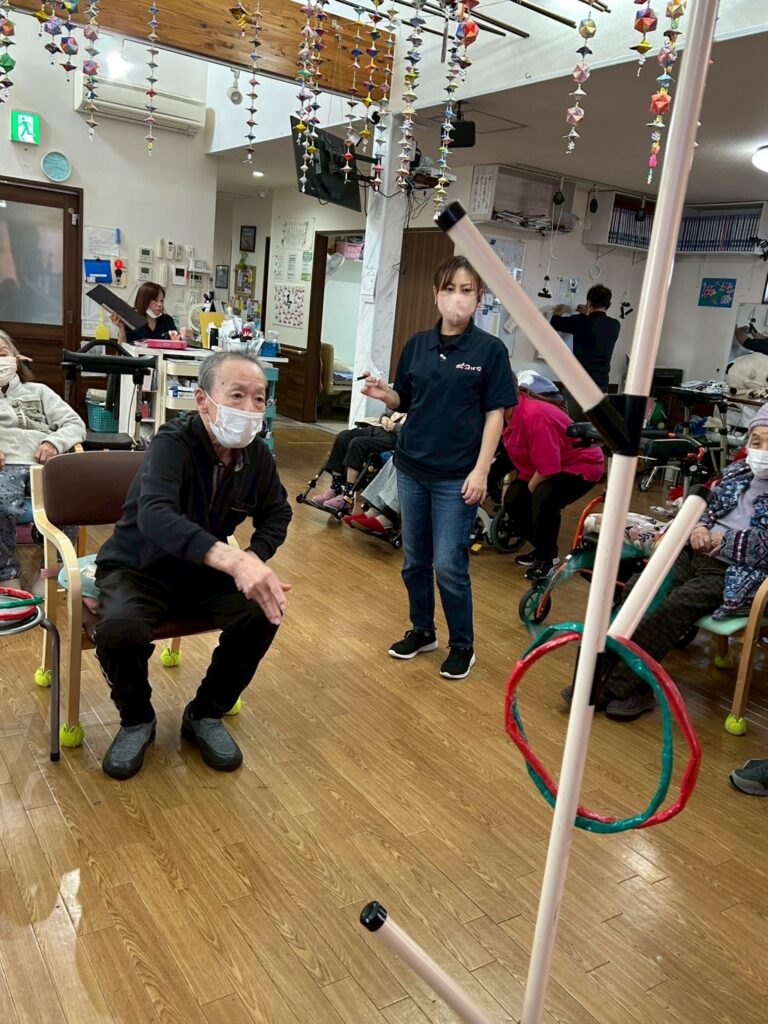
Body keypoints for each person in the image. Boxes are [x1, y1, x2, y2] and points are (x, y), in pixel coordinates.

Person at [94, 350, 292, 780]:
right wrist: (232, 559)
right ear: (203, 400)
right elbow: (155, 514)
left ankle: (205, 713)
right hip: (138, 568)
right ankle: (137, 719)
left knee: (263, 612)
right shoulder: (172, 444)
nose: (250, 408)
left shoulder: (257, 457)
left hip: (201, 573)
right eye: (236, 395)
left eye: (259, 398)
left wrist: (254, 557)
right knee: (118, 630)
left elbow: (278, 512)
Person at [361, 255, 517, 680]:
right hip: (412, 467)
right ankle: (423, 630)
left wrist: (481, 471)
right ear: (435, 295)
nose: (456, 298)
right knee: (415, 561)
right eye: (449, 289)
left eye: (466, 290)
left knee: (449, 565)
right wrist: (385, 394)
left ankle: (462, 645)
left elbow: (496, 415)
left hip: (457, 476)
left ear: (479, 297)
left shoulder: (490, 351)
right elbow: (406, 400)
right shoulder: (417, 345)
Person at [563, 403, 768, 720]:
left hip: (736, 571)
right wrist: (699, 527)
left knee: (674, 606)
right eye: (756, 442)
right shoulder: (737, 472)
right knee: (639, 589)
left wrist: (723, 541)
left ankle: (621, 686)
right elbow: (706, 506)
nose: (761, 452)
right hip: (695, 552)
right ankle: (603, 679)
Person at [0, 329, 86, 588]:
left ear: (17, 358)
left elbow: (75, 424)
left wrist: (53, 442)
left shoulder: (39, 391)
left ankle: (53, 569)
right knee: (1, 504)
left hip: (45, 463)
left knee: (70, 500)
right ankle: (6, 573)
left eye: (2, 354)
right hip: (5, 465)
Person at [502, 370, 604, 580]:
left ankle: (547, 559)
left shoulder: (535, 415)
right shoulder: (504, 414)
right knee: (513, 500)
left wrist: (530, 489)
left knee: (543, 498)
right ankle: (544, 548)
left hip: (580, 464)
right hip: (542, 465)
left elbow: (548, 468)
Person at [550, 285, 620, 418]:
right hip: (601, 387)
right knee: (592, 426)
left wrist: (559, 310)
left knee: (568, 423)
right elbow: (596, 325)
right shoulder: (615, 325)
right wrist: (586, 313)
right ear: (608, 304)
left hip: (578, 386)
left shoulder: (581, 321)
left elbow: (555, 322)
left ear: (589, 303)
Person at [312, 412, 406, 510]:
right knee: (342, 436)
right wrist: (384, 418)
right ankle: (335, 488)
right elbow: (387, 413)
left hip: (397, 438)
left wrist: (395, 427)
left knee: (357, 443)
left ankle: (348, 496)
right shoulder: (406, 403)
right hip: (380, 429)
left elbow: (413, 431)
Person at [111, 281, 178, 344]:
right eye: (155, 300)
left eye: (162, 301)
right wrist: (121, 327)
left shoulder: (167, 320)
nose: (160, 304)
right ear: (144, 300)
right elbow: (122, 348)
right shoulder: (131, 319)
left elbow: (176, 343)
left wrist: (178, 341)